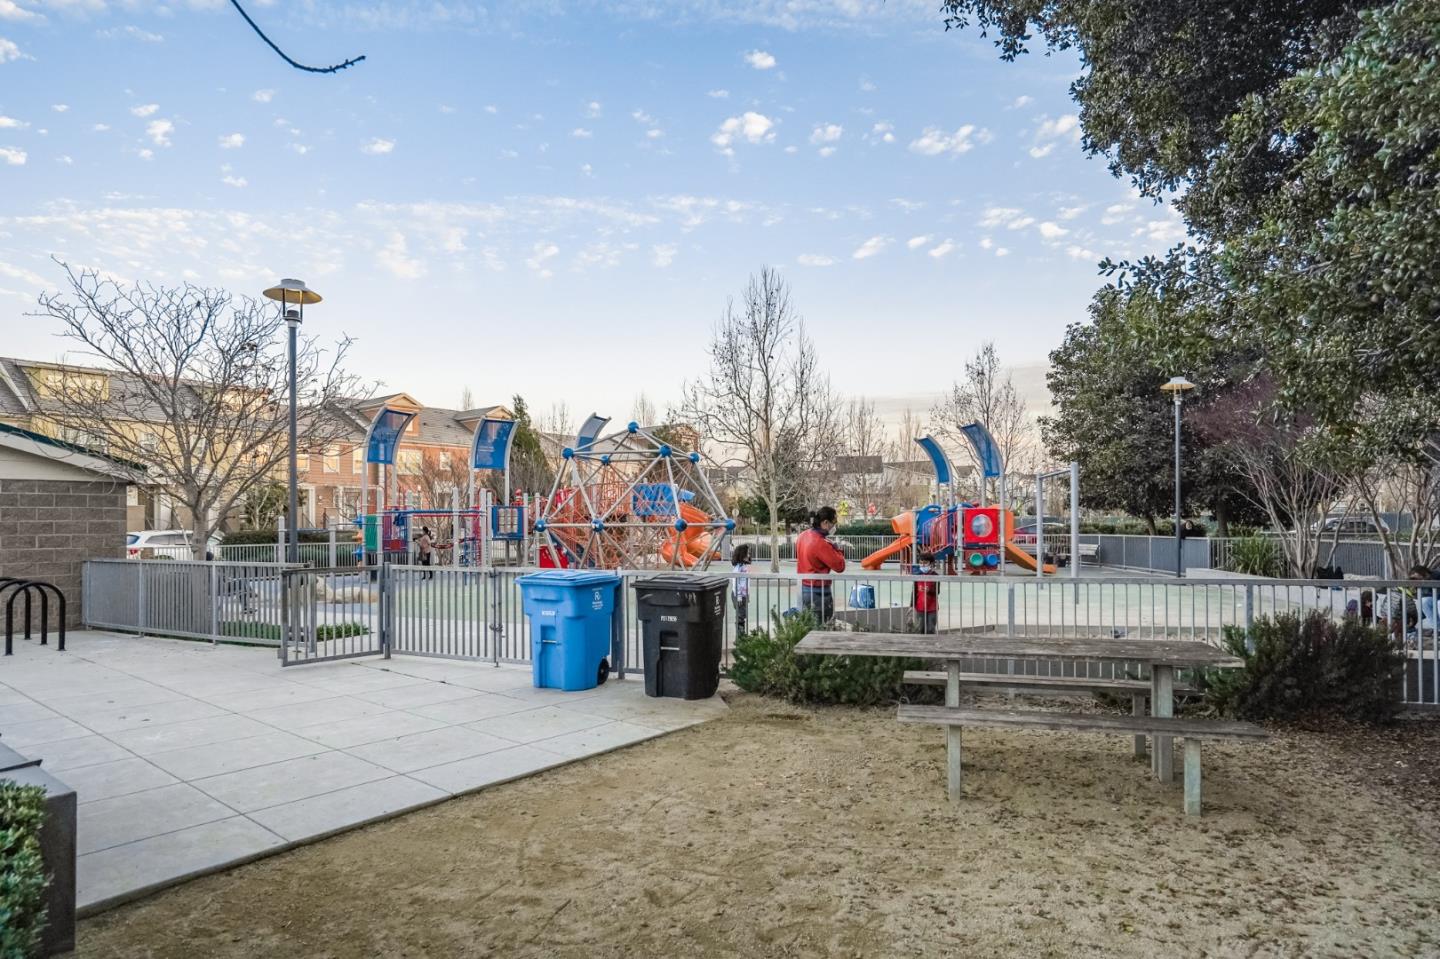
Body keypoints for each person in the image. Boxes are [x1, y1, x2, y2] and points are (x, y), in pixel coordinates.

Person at [796, 506, 845, 623]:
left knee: (806, 624)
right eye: (834, 523)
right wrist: (837, 549)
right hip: (818, 592)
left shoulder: (803, 535)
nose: (834, 526)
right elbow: (840, 566)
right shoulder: (820, 543)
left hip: (803, 587)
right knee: (821, 625)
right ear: (825, 522)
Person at [911, 550, 938, 635]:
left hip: (932, 607)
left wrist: (929, 591)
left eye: (925, 563)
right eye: (921, 563)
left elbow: (937, 591)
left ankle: (931, 642)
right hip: (920, 607)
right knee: (920, 628)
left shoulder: (935, 575)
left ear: (931, 563)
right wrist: (911, 605)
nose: (922, 565)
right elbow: (914, 591)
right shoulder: (917, 575)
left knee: (930, 629)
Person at [731, 543, 752, 636]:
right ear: (742, 554)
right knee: (740, 616)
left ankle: (741, 635)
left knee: (742, 614)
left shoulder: (743, 566)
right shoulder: (738, 567)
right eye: (747, 553)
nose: (749, 555)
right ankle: (740, 636)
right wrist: (739, 595)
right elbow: (736, 581)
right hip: (739, 595)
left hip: (743, 595)